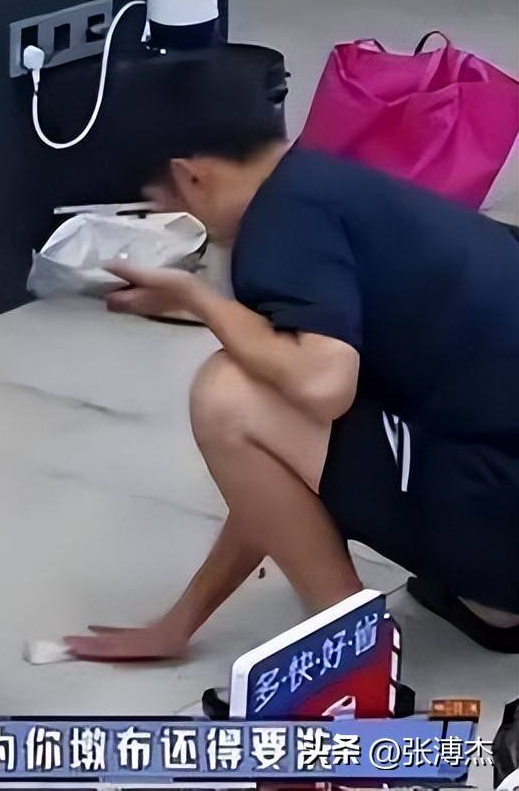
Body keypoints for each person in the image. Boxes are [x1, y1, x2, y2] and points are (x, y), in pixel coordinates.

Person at [63, 55, 519, 660]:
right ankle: (492, 605)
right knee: (262, 391)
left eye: (159, 206)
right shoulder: (324, 185)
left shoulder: (280, 227)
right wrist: (180, 624)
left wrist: (202, 301)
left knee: (227, 391)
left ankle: (355, 656)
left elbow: (321, 389)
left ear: (190, 177)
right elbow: (277, 475)